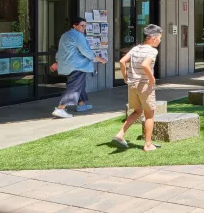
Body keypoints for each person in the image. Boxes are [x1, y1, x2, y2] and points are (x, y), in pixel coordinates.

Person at [112, 24, 163, 152]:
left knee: (137, 111)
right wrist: (152, 80)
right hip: (144, 85)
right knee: (150, 114)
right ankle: (147, 144)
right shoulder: (152, 51)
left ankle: (120, 135)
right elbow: (145, 65)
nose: (160, 41)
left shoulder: (135, 49)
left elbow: (123, 61)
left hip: (132, 85)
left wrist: (125, 77)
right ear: (153, 38)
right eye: (160, 38)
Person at [51, 17, 106, 119]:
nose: (84, 27)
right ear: (74, 25)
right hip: (77, 66)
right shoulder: (78, 36)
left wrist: (57, 62)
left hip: (68, 65)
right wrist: (99, 59)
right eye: (82, 25)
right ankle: (61, 108)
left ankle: (81, 105)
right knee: (74, 87)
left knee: (79, 85)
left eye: (85, 25)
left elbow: (60, 51)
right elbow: (86, 51)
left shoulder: (65, 35)